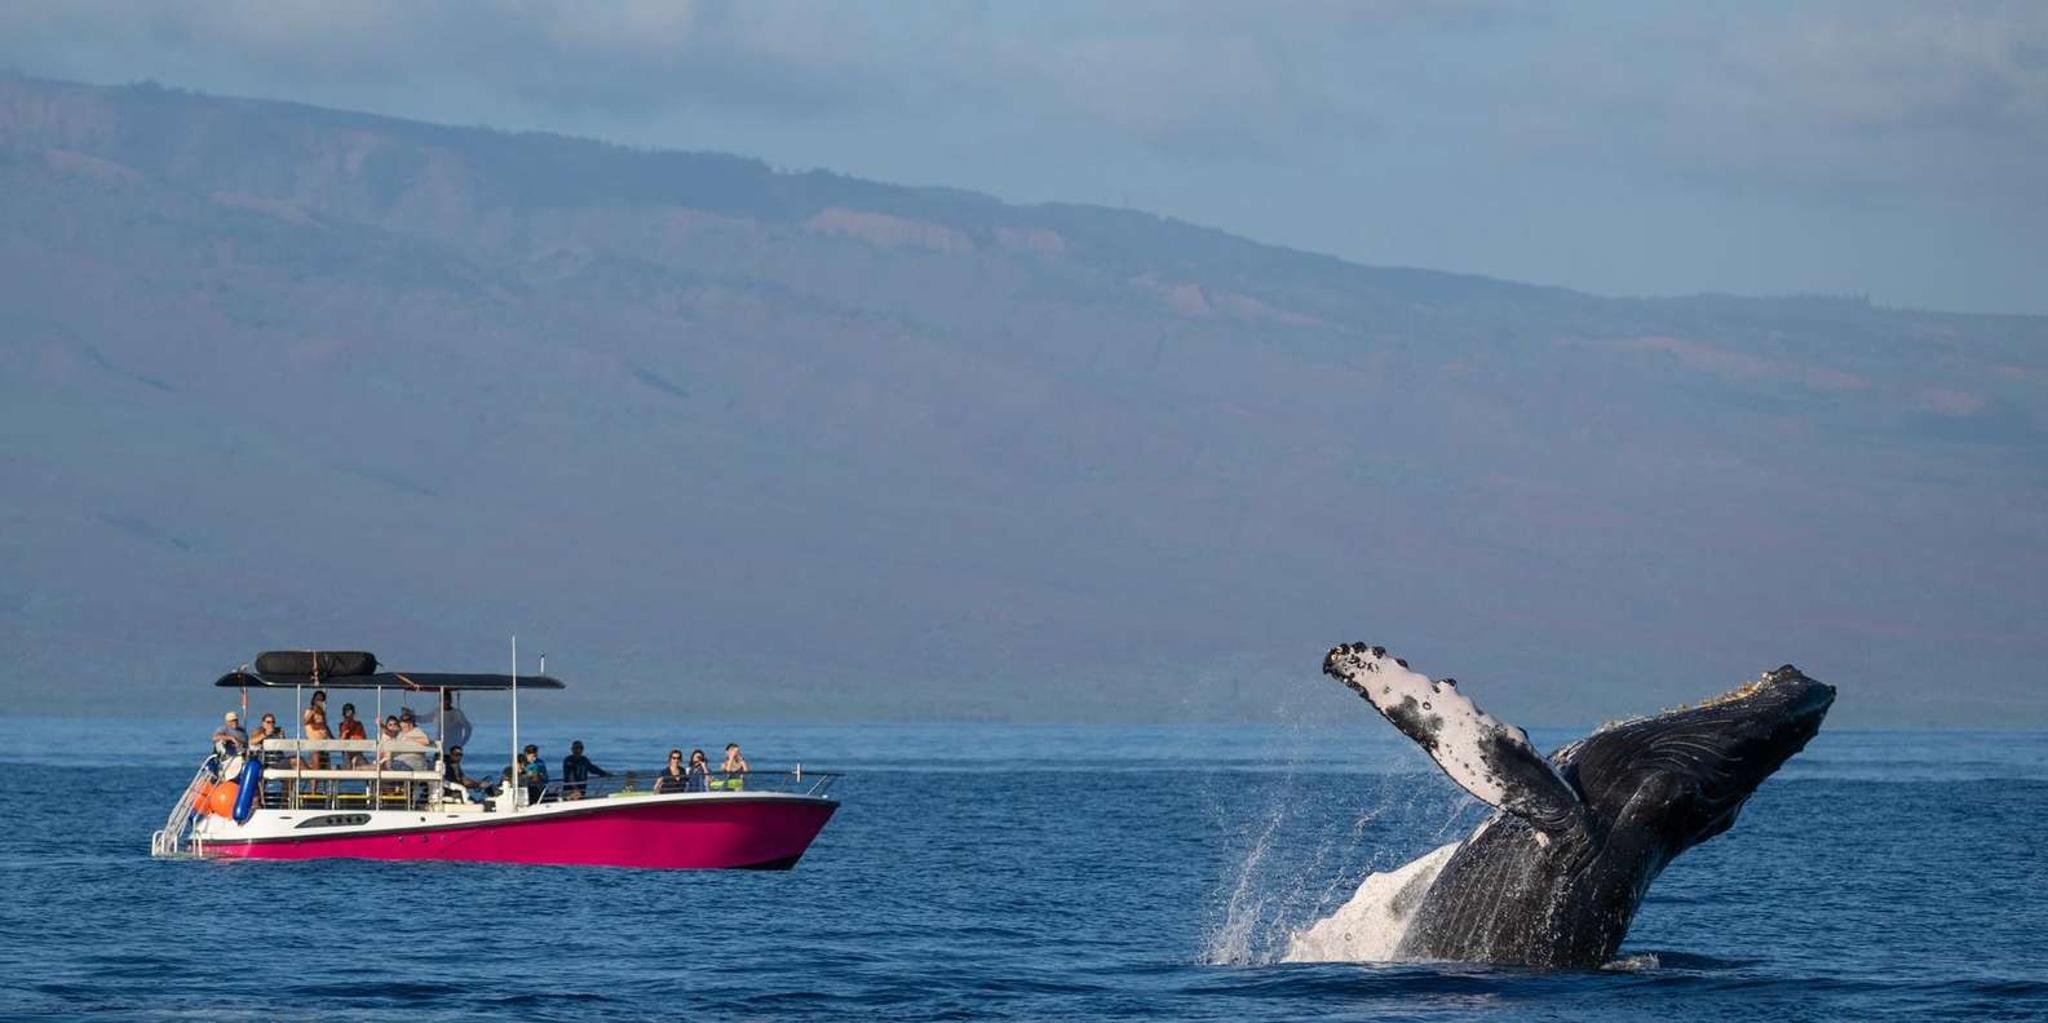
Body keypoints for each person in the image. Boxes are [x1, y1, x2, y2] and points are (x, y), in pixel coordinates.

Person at [300, 690, 332, 770]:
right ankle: (314, 781)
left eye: (321, 700)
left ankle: (326, 780)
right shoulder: (309, 711)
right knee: (316, 766)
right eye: (318, 699)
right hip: (315, 743)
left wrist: (332, 738)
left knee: (326, 766)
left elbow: (325, 726)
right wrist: (314, 710)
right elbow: (305, 721)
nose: (319, 702)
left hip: (324, 742)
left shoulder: (322, 713)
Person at [337, 702, 368, 767]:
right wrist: (345, 732)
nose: (349, 716)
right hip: (347, 752)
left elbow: (363, 738)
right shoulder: (342, 725)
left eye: (350, 712)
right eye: (347, 713)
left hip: (357, 751)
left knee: (363, 765)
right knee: (348, 765)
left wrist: (354, 738)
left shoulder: (358, 724)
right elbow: (342, 740)